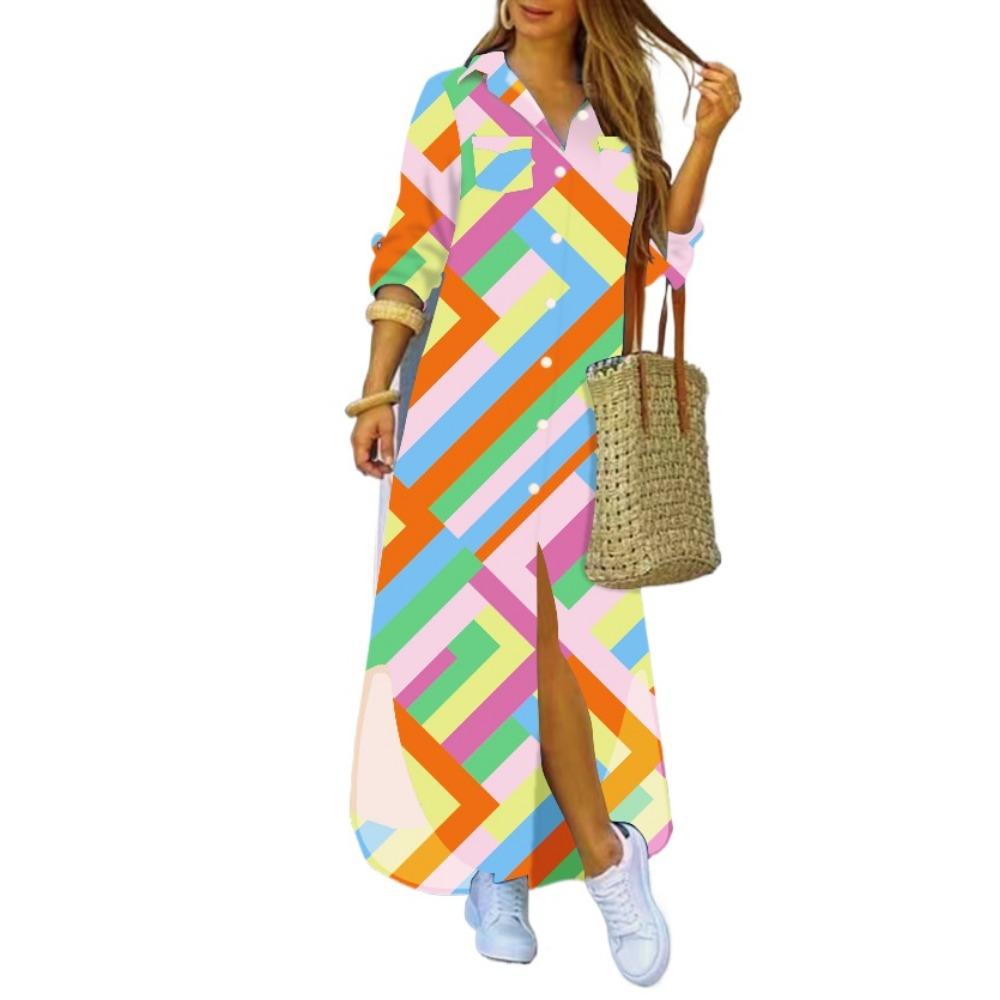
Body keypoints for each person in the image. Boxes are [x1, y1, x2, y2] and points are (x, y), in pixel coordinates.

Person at [347, 0, 739, 987]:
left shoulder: (619, 120)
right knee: (469, 641)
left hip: (580, 423)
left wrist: (706, 137)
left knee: (560, 636)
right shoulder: (456, 100)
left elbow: (660, 261)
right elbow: (412, 246)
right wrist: (378, 389)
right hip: (463, 412)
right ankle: (502, 865)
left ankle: (602, 856)